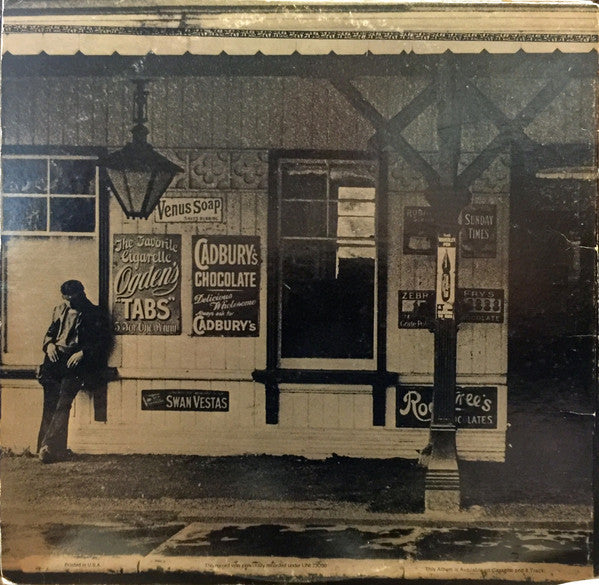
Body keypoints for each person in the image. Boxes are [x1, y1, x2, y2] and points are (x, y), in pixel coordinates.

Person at [37, 280, 111, 463]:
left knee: (63, 403)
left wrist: (83, 353)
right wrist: (49, 346)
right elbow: (49, 334)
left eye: (72, 299)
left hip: (77, 363)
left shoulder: (95, 313)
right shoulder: (59, 310)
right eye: (66, 299)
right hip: (54, 361)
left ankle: (47, 447)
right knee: (50, 403)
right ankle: (52, 450)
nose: (69, 303)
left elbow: (103, 342)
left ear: (82, 294)